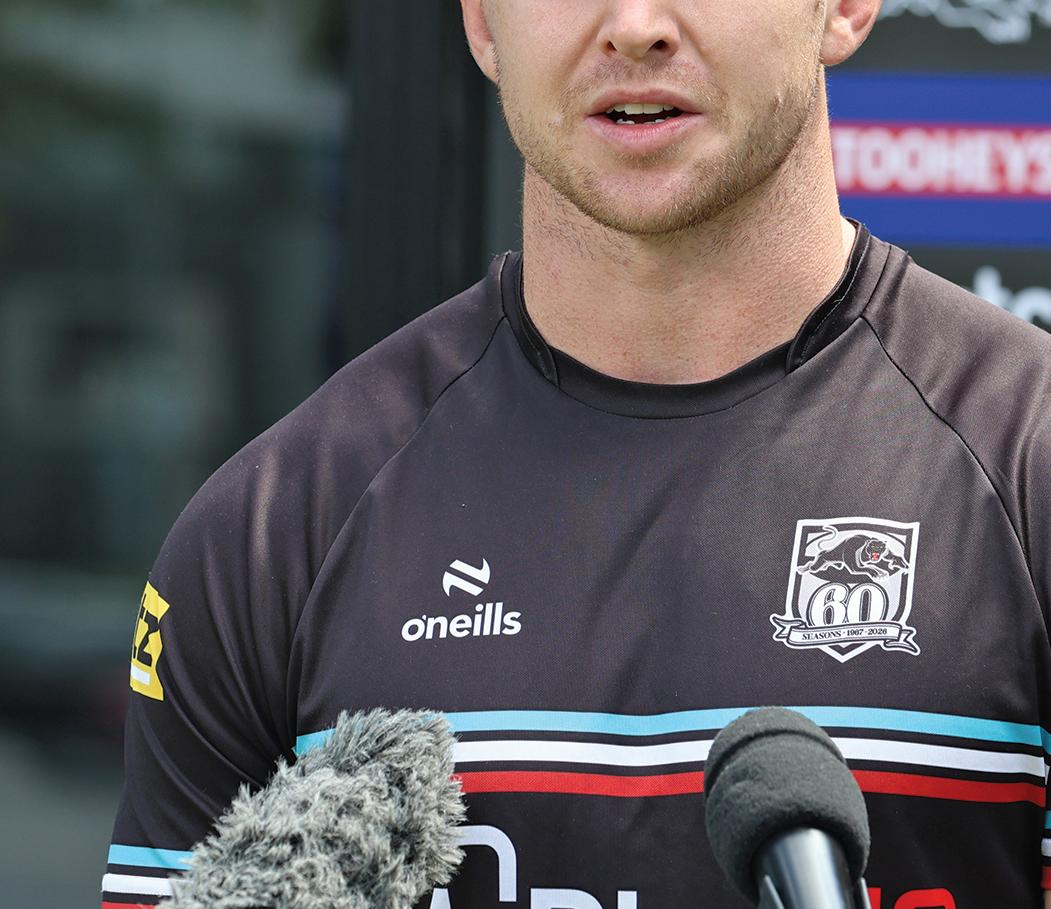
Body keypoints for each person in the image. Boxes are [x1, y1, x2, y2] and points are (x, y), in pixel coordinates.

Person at [104, 1, 1051, 906]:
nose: (634, 27)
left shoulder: (1026, 459)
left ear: (843, 5)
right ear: (483, 21)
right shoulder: (271, 532)